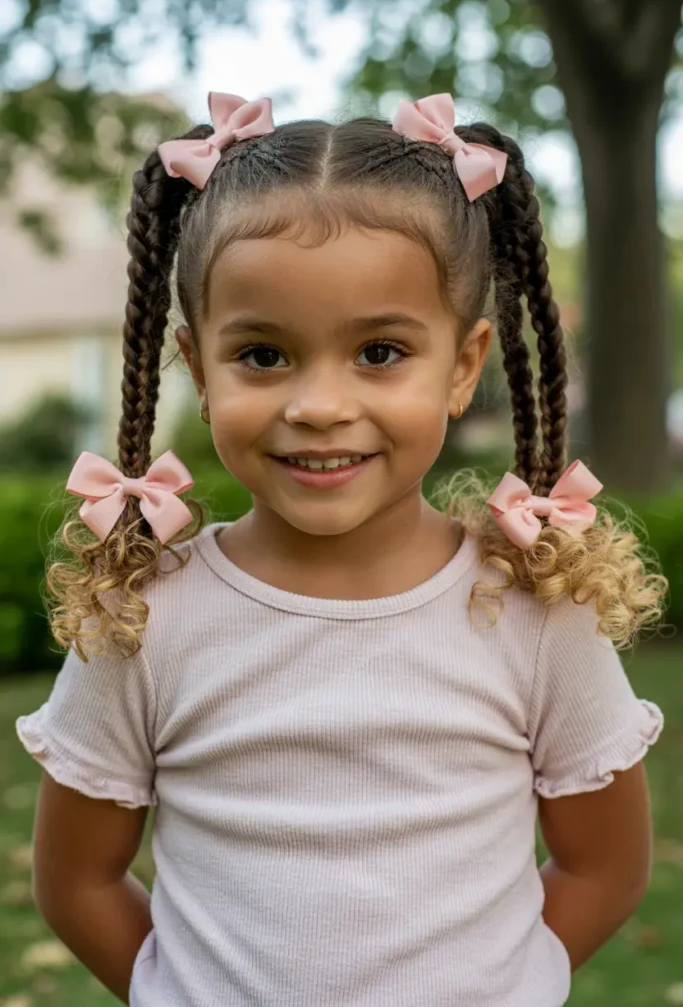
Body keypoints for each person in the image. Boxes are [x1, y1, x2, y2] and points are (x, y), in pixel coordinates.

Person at [16, 92, 666, 1007]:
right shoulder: (146, 621)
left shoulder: (534, 613)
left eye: (379, 352)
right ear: (197, 367)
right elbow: (76, 882)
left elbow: (601, 868)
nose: (318, 404)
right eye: (264, 356)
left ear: (464, 364)